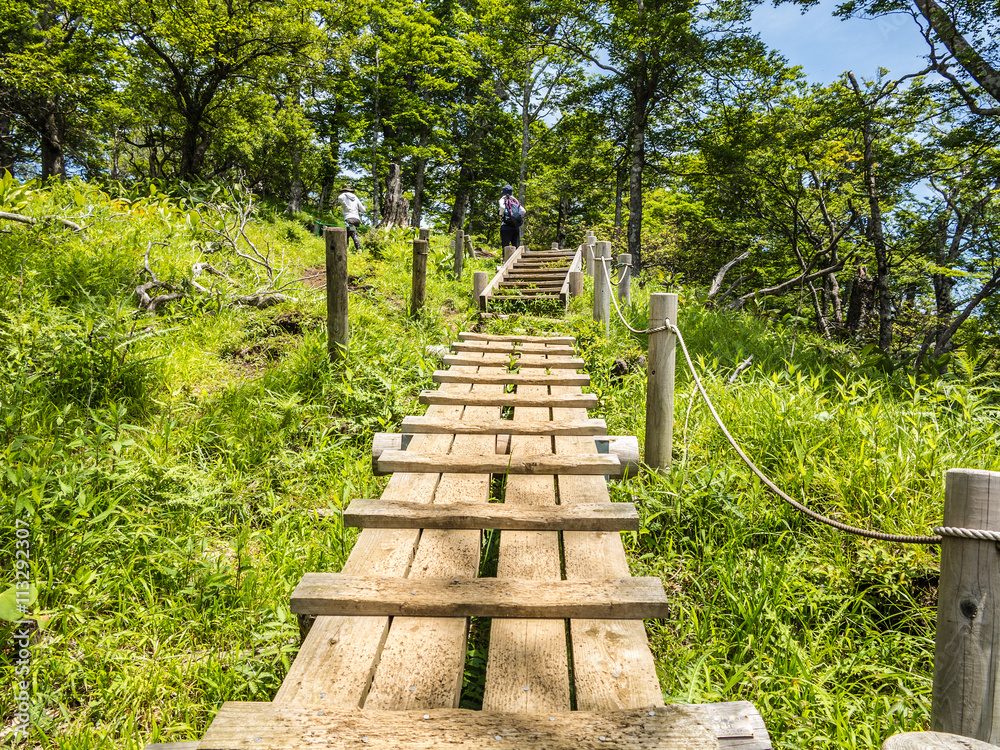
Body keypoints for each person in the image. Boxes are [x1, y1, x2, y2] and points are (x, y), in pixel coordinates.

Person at [336, 183, 366, 250]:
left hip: (349, 219)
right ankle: (345, 248)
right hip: (357, 219)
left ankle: (359, 249)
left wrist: (346, 207)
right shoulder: (356, 197)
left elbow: (339, 198)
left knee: (354, 235)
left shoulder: (343, 195)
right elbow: (363, 210)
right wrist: (356, 210)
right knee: (347, 234)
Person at [498, 185, 525, 251]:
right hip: (515, 227)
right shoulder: (515, 202)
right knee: (516, 246)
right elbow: (524, 211)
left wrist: (501, 213)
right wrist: (515, 199)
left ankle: (504, 260)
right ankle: (517, 260)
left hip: (505, 226)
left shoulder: (503, 200)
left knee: (505, 245)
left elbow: (502, 207)